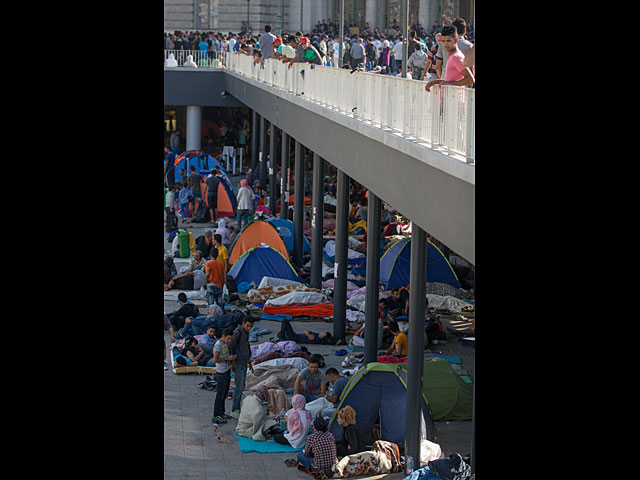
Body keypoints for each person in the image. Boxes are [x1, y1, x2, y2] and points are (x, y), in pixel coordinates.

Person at [426, 25, 474, 92]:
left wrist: (448, 84)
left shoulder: (456, 57)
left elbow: (470, 79)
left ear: (456, 40)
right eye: (443, 41)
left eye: (448, 41)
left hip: (454, 99)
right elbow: (451, 80)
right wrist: (436, 82)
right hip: (450, 98)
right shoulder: (452, 56)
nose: (445, 44)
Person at [229, 315, 256, 417]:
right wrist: (233, 363)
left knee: (241, 386)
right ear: (243, 323)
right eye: (247, 326)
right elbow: (230, 347)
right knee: (239, 387)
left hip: (244, 363)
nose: (249, 328)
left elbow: (246, 346)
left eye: (251, 326)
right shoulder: (237, 332)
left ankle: (237, 408)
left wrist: (249, 362)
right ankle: (234, 409)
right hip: (238, 363)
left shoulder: (246, 332)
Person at [212, 327, 237, 425]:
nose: (229, 341)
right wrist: (228, 358)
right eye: (228, 338)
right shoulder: (218, 346)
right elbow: (215, 359)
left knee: (224, 394)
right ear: (223, 336)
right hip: (221, 372)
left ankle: (221, 412)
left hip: (227, 370)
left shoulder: (225, 344)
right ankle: (216, 414)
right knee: (220, 394)